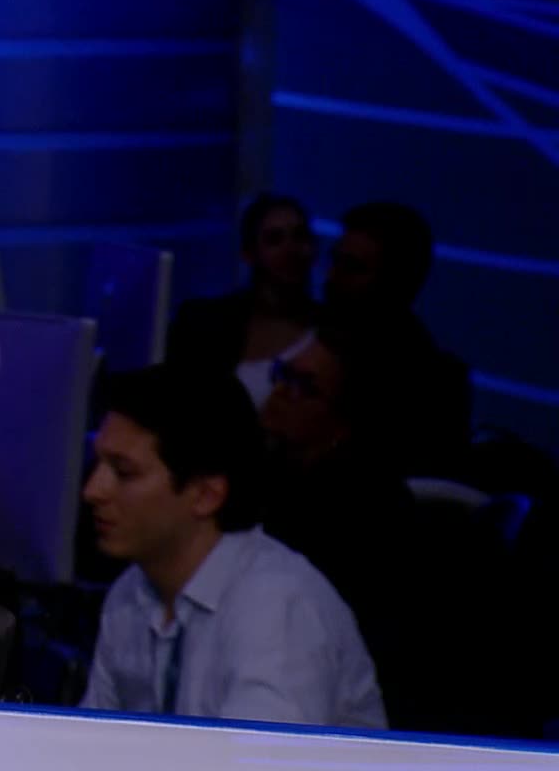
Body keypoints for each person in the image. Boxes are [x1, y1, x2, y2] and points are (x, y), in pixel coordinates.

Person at [80, 364, 385, 729]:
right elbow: (91, 746)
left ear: (206, 495)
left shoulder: (279, 607)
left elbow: (263, 757)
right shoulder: (129, 595)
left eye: (124, 472)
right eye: (98, 464)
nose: (93, 491)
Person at [256, 327, 417, 725]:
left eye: (304, 386)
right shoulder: (264, 474)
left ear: (343, 423)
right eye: (283, 373)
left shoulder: (365, 512)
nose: (280, 392)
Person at [323, 201, 471, 477]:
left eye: (353, 267)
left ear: (396, 281)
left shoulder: (431, 382)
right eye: (335, 260)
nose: (332, 276)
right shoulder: (310, 342)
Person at [165, 193, 318, 407]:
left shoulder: (332, 333)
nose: (291, 249)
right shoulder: (204, 324)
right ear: (249, 253)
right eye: (274, 239)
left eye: (300, 236)